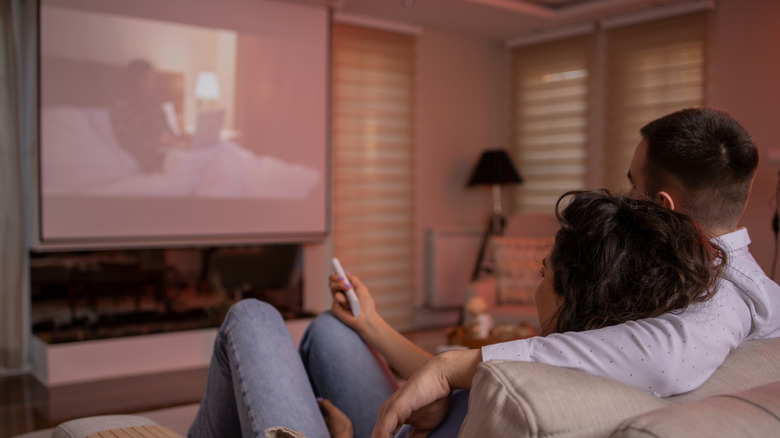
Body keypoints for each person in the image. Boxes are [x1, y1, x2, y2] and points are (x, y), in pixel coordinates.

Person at [371, 107, 780, 436]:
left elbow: (670, 358)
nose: (625, 200)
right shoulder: (672, 276)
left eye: (631, 184)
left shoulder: (725, 295)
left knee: (327, 338)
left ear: (661, 205)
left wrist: (456, 366)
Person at [188, 189, 726, 438]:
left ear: (569, 298)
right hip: (426, 420)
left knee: (254, 316)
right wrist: (372, 322)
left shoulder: (530, 392)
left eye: (544, 271)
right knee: (333, 328)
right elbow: (448, 375)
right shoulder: (619, 357)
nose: (539, 276)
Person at [110, 59, 187, 173]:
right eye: (146, 79)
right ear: (134, 81)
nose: (150, 85)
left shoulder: (155, 106)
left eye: (152, 80)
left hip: (170, 150)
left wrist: (183, 137)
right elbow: (126, 141)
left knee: (216, 151)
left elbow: (169, 132)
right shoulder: (122, 107)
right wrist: (158, 141)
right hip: (149, 156)